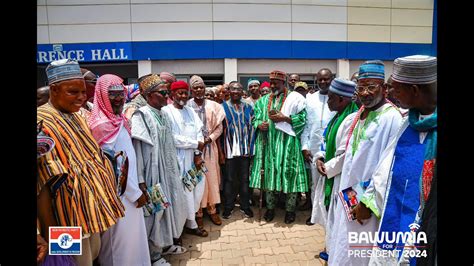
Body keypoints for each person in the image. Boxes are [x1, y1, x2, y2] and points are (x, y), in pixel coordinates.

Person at [37, 59, 124, 266]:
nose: (81, 98)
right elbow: (42, 187)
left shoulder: (77, 116)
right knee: (75, 262)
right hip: (66, 223)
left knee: (91, 257)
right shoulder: (42, 124)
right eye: (73, 92)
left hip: (89, 216)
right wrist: (52, 238)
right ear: (54, 90)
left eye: (83, 92)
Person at [328, 60, 403, 266]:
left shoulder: (392, 118)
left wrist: (368, 202)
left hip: (369, 204)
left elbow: (390, 167)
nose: (365, 93)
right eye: (361, 87)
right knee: (343, 246)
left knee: (362, 252)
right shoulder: (360, 114)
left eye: (372, 87)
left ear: (384, 88)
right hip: (348, 196)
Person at [368, 55, 437, 265]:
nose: (390, 93)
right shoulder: (408, 122)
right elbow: (386, 167)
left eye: (396, 89)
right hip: (393, 218)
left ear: (415, 90)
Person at [88, 74, 151, 266]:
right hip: (118, 196)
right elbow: (114, 167)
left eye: (120, 94)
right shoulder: (101, 125)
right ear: (101, 95)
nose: (118, 98)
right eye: (112, 94)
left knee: (133, 242)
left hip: (130, 193)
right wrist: (134, 192)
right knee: (118, 247)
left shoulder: (119, 119)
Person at [131, 74, 189, 265]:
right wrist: (140, 180)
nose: (167, 96)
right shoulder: (142, 115)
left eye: (167, 92)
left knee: (170, 209)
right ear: (149, 95)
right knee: (156, 214)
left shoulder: (163, 113)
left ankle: (165, 245)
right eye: (163, 92)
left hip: (169, 172)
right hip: (152, 175)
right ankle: (154, 256)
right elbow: (139, 150)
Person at [250, 70, 308, 224]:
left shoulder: (294, 99)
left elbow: (303, 119)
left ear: (284, 83)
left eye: (276, 83)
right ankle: (270, 209)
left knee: (290, 176)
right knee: (269, 178)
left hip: (288, 145)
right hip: (268, 146)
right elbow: (253, 118)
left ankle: (290, 211)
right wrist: (258, 124)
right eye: (271, 82)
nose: (273, 85)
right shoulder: (262, 101)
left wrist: (286, 118)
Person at [312, 78, 359, 260]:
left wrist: (327, 166)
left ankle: (338, 255)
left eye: (331, 98)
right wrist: (320, 158)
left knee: (343, 219)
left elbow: (347, 154)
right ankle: (331, 250)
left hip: (344, 181)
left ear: (342, 99)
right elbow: (326, 142)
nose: (328, 102)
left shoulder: (352, 119)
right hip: (331, 174)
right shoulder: (337, 118)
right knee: (332, 216)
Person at [162, 81, 209, 237]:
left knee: (197, 191)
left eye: (185, 93)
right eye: (179, 93)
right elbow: (172, 138)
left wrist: (197, 153)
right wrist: (196, 143)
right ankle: (184, 228)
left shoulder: (190, 111)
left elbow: (199, 131)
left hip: (194, 158)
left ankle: (191, 220)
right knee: (183, 195)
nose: (183, 96)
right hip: (177, 158)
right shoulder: (166, 111)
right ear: (172, 95)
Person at [187, 75, 226, 227]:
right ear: (191, 90)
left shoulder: (214, 106)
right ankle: (198, 212)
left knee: (211, 178)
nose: (199, 90)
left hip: (210, 148)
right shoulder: (187, 107)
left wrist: (209, 139)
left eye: (201, 87)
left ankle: (212, 209)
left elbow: (219, 128)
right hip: (192, 150)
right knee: (196, 180)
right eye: (195, 87)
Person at [301, 68, 336, 220]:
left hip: (333, 147)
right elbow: (306, 126)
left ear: (331, 79)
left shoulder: (337, 98)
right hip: (314, 148)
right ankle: (315, 215)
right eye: (320, 79)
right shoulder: (309, 99)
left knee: (333, 182)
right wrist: (305, 146)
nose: (323, 82)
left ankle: (331, 215)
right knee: (315, 183)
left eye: (326, 79)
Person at [221, 81, 256, 219]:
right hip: (229, 150)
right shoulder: (222, 107)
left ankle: (245, 206)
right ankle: (228, 207)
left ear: (242, 92)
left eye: (238, 89)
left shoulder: (249, 107)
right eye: (233, 89)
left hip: (245, 149)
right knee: (229, 180)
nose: (235, 92)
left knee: (244, 179)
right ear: (229, 91)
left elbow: (254, 125)